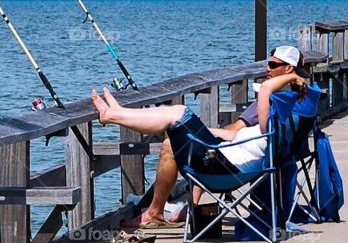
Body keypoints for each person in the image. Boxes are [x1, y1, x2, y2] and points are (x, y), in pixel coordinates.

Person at [121, 45, 305, 227]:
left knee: (177, 130)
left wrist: (204, 134)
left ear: (288, 69)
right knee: (180, 137)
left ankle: (160, 210)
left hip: (229, 172)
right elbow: (237, 132)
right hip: (244, 163)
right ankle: (170, 209)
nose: (267, 68)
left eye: (272, 64)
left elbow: (240, 126)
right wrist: (205, 132)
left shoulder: (272, 104)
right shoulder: (298, 107)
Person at [91, 68, 307, 175]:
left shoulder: (269, 124)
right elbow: (233, 134)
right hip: (224, 157)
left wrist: (294, 77)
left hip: (223, 167)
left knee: (178, 113)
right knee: (177, 116)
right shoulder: (281, 126)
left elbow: (267, 89)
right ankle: (118, 113)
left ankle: (112, 115)